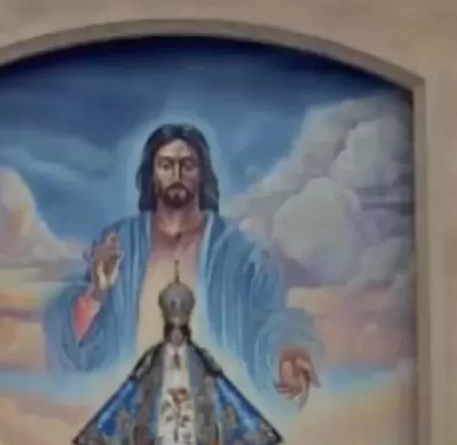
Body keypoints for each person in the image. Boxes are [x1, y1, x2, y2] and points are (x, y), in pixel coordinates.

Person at [41, 123, 320, 409]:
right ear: (151, 175)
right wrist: (95, 294)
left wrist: (287, 353)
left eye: (187, 165)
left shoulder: (236, 250)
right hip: (138, 411)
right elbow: (76, 349)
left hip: (214, 412)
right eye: (165, 165)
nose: (176, 175)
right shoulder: (119, 243)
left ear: (202, 174)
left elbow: (269, 316)